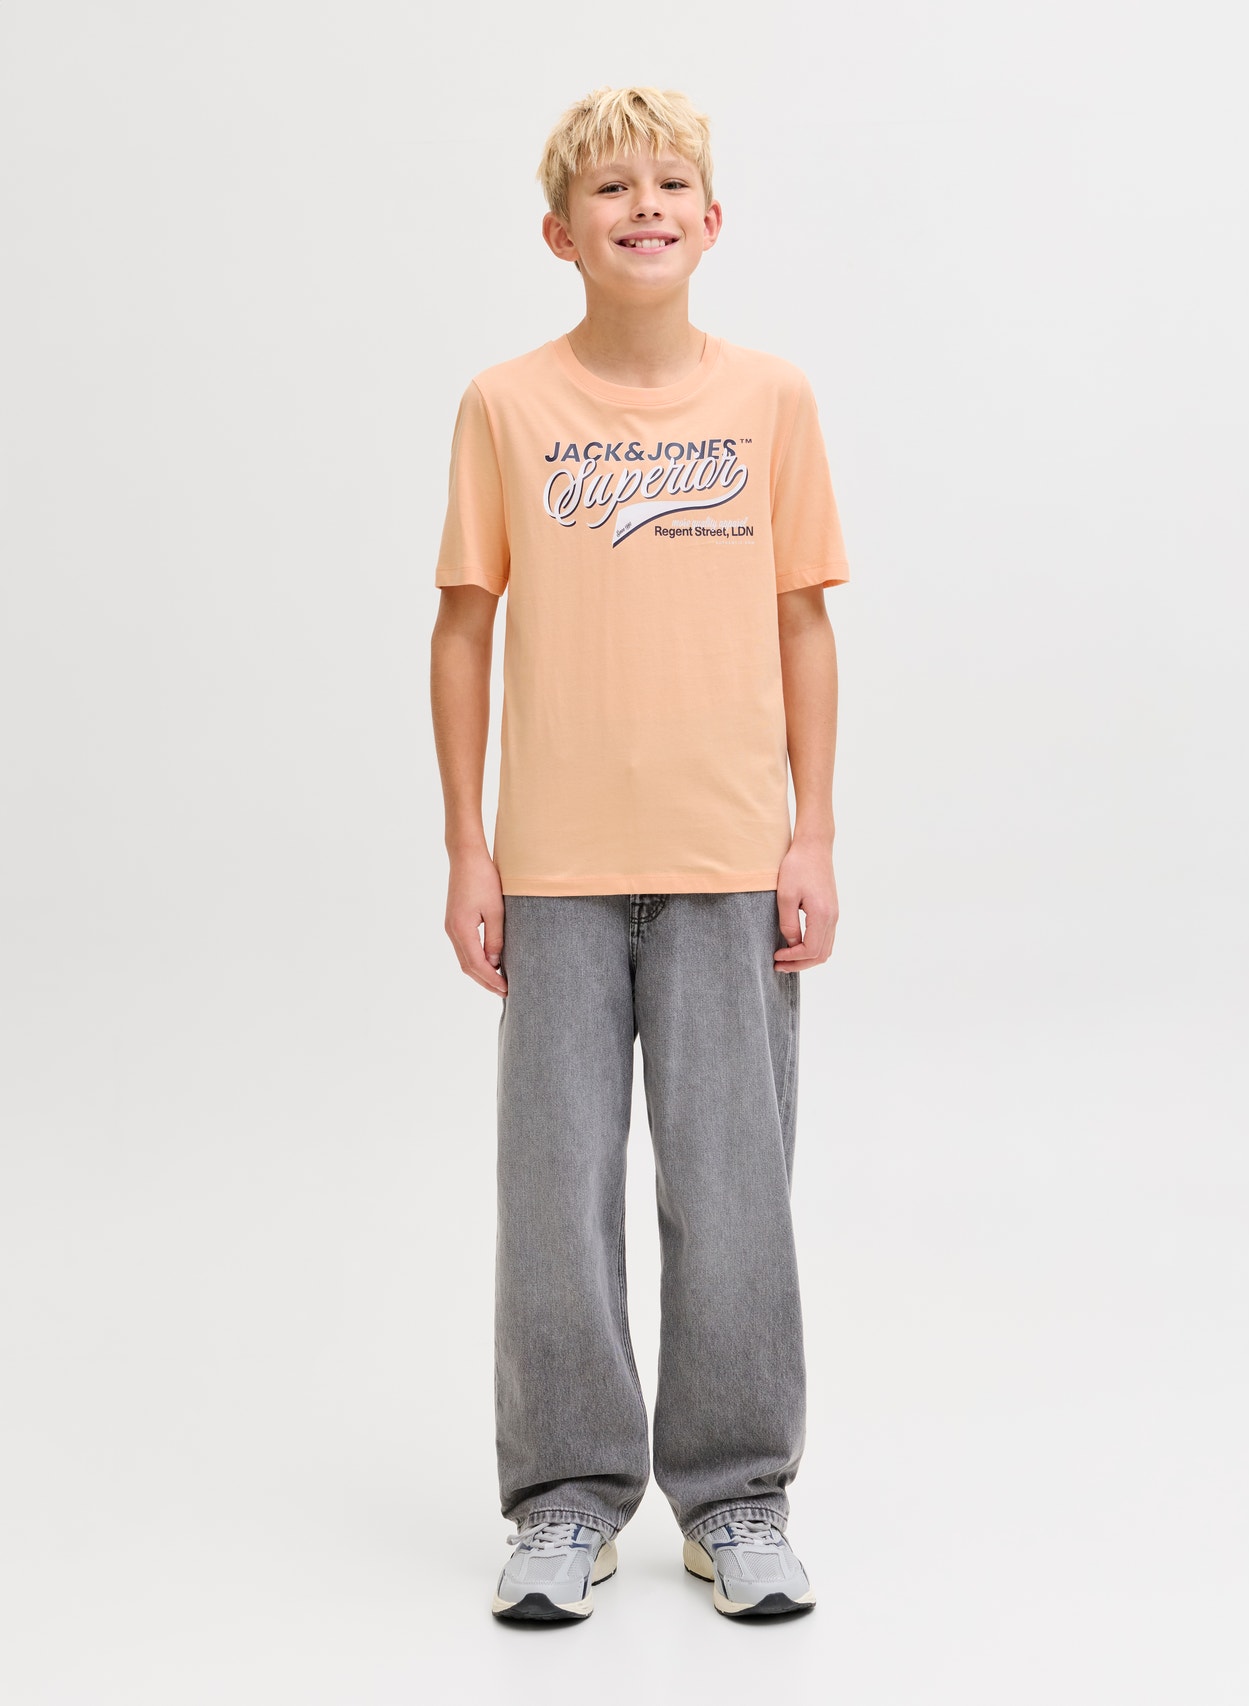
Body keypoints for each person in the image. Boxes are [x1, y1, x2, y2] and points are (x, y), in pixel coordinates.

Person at [430, 84, 848, 1623]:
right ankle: (564, 1496)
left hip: (730, 855)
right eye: (612, 189)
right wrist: (467, 848)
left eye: (672, 183)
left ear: (712, 220)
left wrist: (814, 829)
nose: (645, 206)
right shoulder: (506, 406)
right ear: (561, 232)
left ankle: (736, 1495)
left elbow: (805, 621)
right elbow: (462, 628)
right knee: (556, 1194)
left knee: (733, 1189)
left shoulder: (771, 402)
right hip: (552, 863)